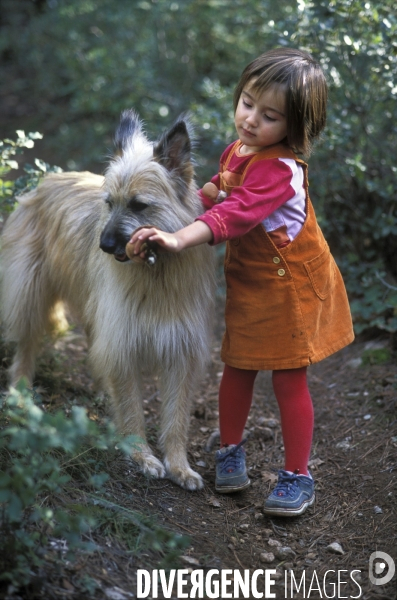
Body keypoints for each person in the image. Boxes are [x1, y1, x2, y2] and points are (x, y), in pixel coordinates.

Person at [129, 48, 354, 517]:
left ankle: (298, 475)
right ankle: (230, 452)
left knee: (290, 380)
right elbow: (215, 191)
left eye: (269, 116)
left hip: (290, 289)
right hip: (252, 287)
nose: (251, 120)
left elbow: (234, 213)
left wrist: (179, 237)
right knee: (237, 366)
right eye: (247, 103)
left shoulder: (279, 170)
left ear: (295, 127)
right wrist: (164, 219)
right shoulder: (241, 150)